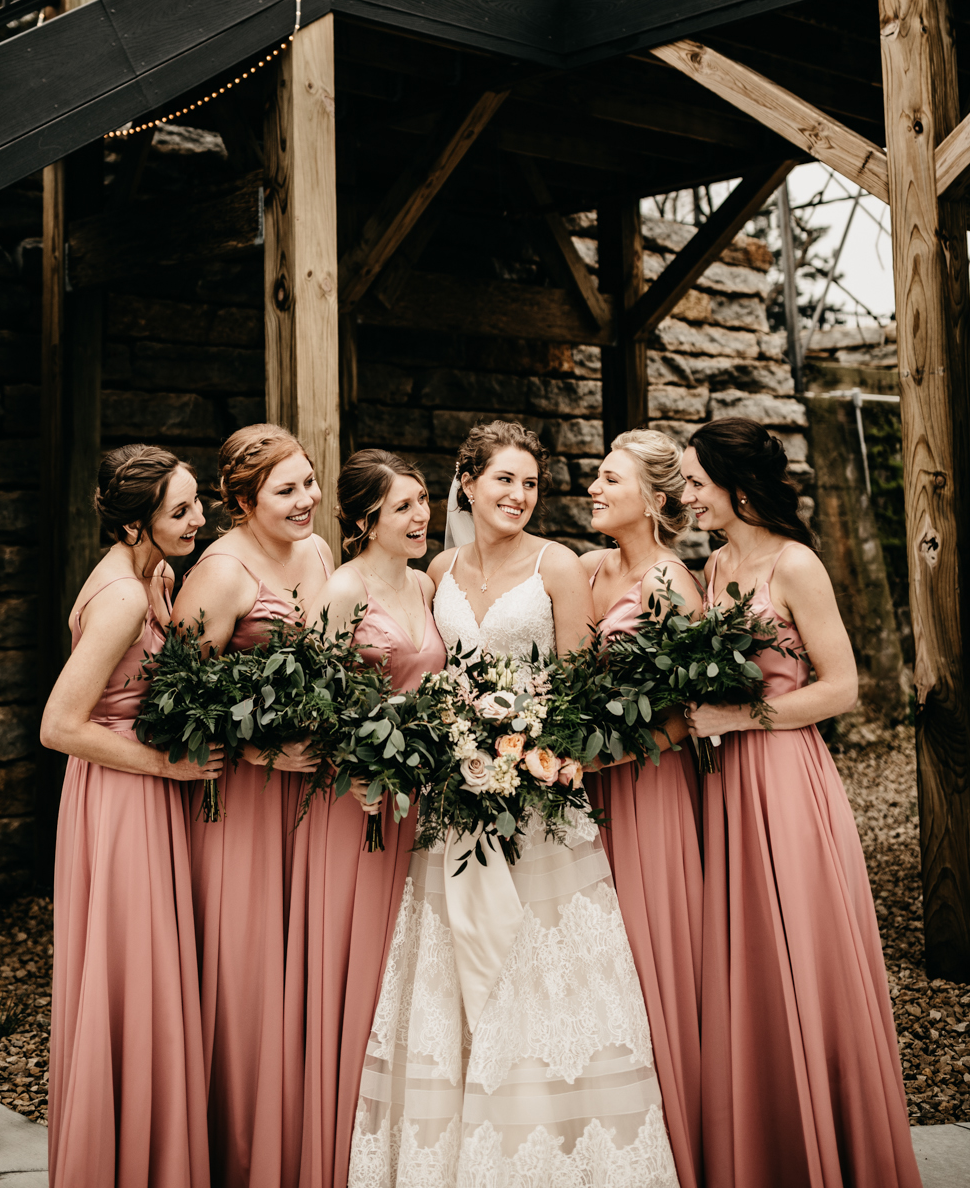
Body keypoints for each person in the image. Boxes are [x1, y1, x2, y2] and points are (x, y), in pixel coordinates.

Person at [348, 420, 680, 1188]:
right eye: (503, 479)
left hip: (541, 804)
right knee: (456, 964)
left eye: (529, 483)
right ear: (466, 481)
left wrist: (532, 745)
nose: (518, 496)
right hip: (454, 806)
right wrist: (450, 742)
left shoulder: (558, 566)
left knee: (544, 972)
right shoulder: (436, 569)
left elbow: (577, 689)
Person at [681, 417, 921, 1188]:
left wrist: (734, 717)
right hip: (722, 786)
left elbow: (842, 687)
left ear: (737, 487)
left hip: (783, 778)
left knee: (801, 952)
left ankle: (835, 1146)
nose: (684, 495)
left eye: (694, 482)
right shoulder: (713, 567)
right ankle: (768, 1145)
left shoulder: (796, 565)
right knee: (744, 956)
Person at [43, 444, 222, 1188]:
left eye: (195, 504)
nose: (198, 518)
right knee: (131, 972)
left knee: (146, 973)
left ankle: (150, 1155)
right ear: (134, 524)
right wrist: (165, 765)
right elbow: (58, 725)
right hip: (122, 796)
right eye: (179, 511)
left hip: (133, 790)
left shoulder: (152, 574)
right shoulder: (120, 597)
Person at [170, 423, 333, 1188]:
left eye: (309, 482)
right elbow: (172, 702)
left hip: (312, 796)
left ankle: (298, 1143)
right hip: (240, 801)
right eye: (288, 489)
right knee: (247, 975)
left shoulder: (317, 552)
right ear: (242, 500)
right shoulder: (221, 573)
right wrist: (256, 748)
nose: (308, 500)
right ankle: (239, 1154)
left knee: (304, 968)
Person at [297, 448, 447, 1188]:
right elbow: (317, 706)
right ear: (363, 520)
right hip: (357, 805)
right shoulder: (342, 590)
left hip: (424, 802)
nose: (421, 516)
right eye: (402, 507)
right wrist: (358, 766)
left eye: (422, 501)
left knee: (411, 969)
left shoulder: (424, 581)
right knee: (359, 966)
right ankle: (336, 1145)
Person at [581, 429, 706, 1188]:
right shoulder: (591, 567)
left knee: (646, 951)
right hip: (582, 784)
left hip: (647, 785)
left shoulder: (670, 584)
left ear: (655, 501)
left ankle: (676, 1139)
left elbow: (689, 709)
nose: (592, 488)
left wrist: (608, 755)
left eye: (607, 479)